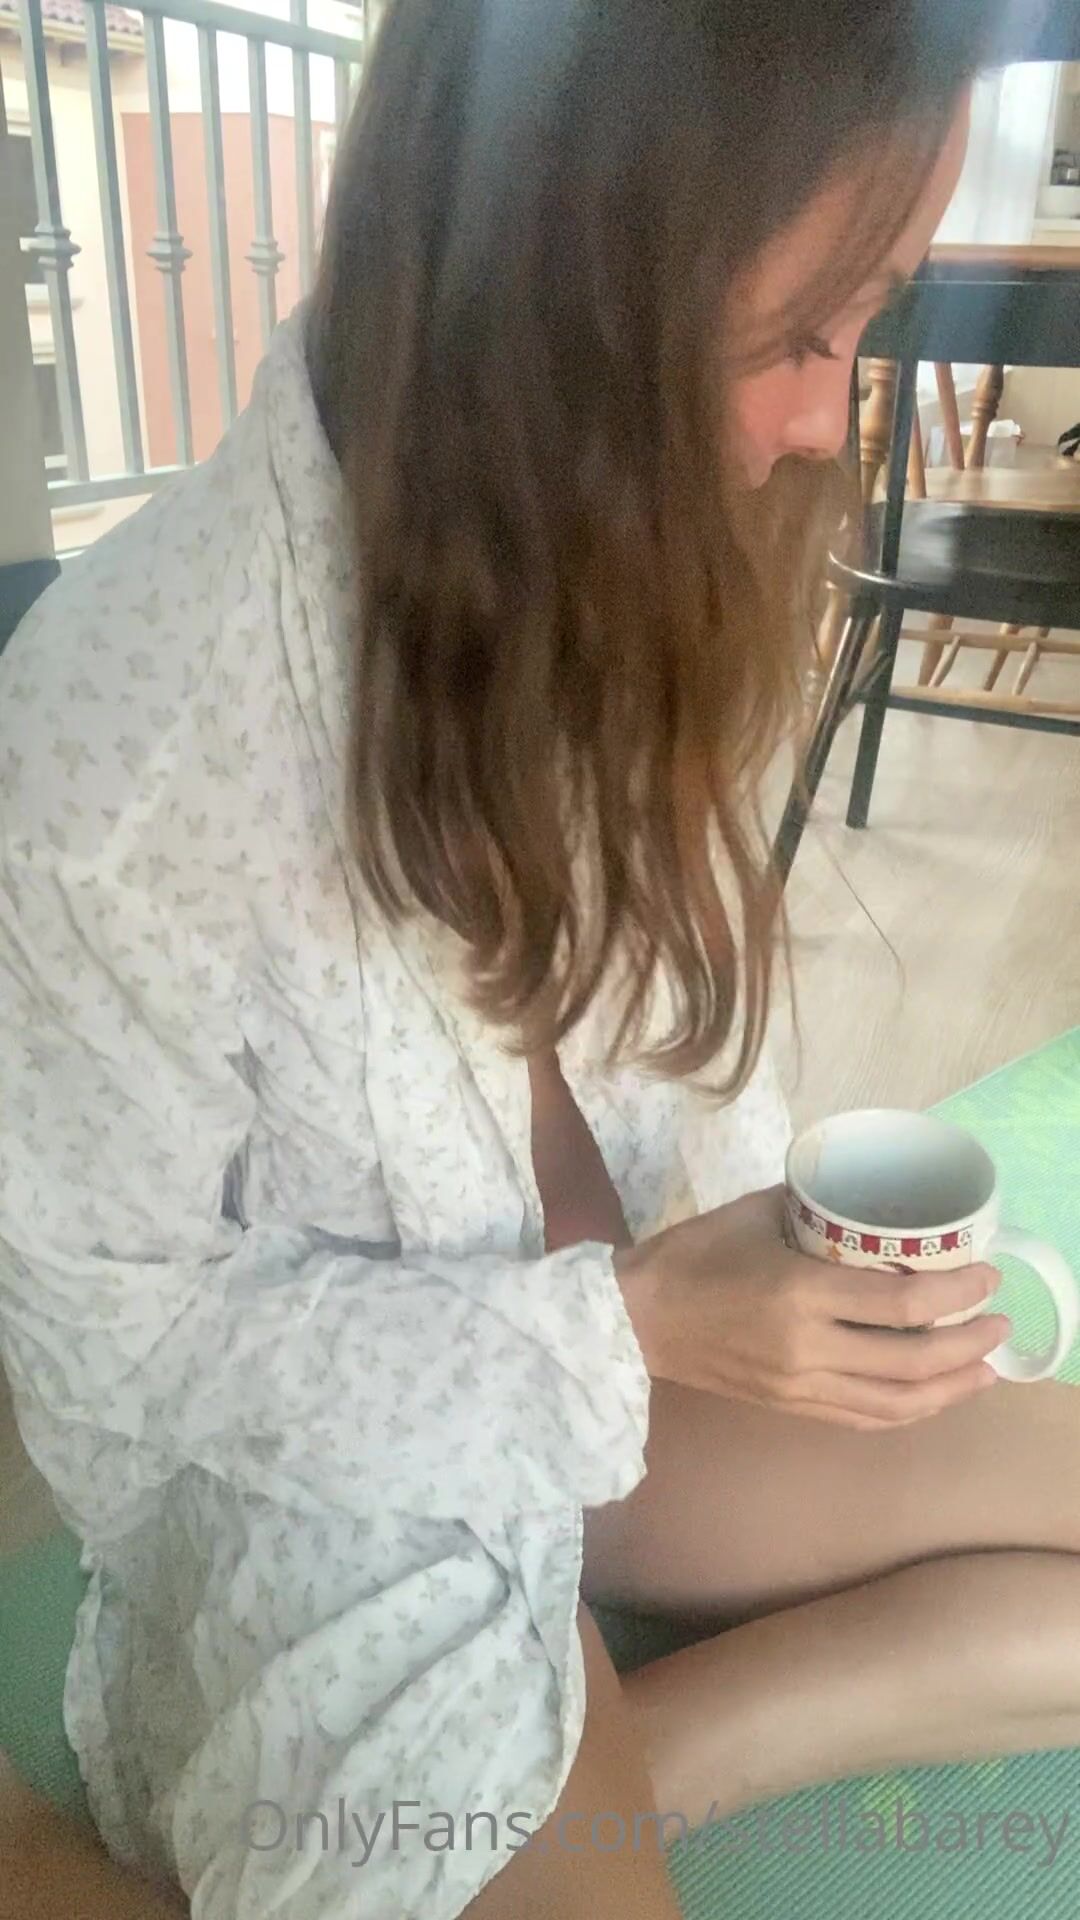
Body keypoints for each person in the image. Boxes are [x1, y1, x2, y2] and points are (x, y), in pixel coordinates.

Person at [1, 3, 1078, 1916]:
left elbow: (661, 1118)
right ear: (559, 298)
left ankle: (625, 1780)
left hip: (633, 1393)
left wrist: (745, 1301)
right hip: (346, 1498)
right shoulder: (128, 733)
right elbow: (120, 1360)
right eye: (795, 336)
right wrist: (632, 1327)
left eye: (870, 318)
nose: (826, 420)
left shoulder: (616, 553)